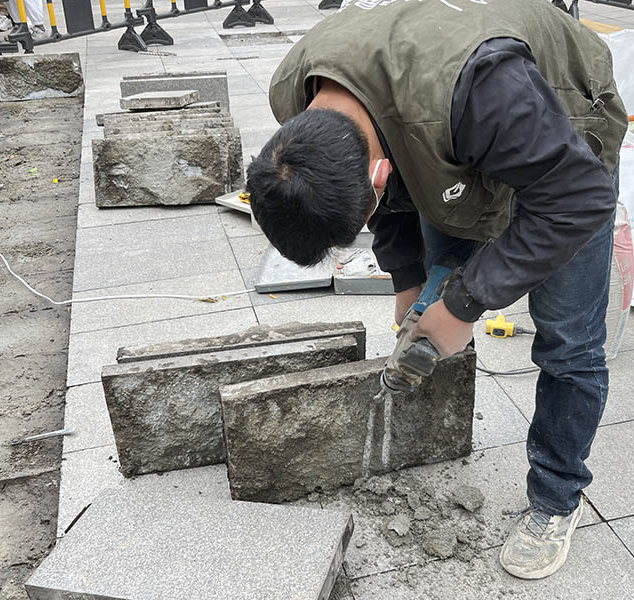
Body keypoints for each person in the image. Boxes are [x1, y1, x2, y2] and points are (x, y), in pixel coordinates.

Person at [246, 0, 627, 581]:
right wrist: (408, 278)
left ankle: (557, 498)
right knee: (444, 255)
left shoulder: (482, 93)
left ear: (377, 174)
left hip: (564, 128)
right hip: (447, 121)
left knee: (568, 342)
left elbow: (578, 199)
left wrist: (470, 301)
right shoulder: (296, 92)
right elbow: (391, 183)